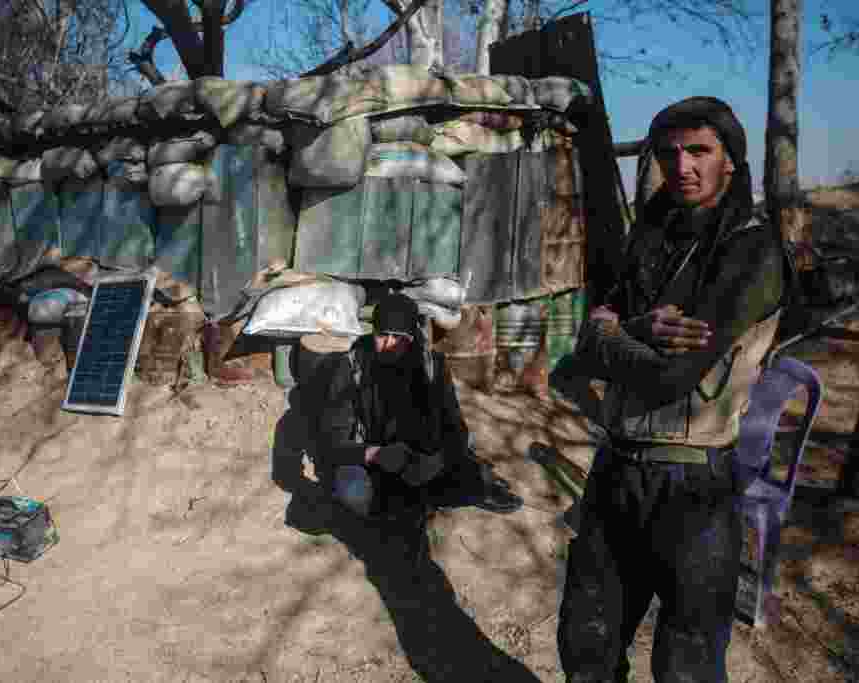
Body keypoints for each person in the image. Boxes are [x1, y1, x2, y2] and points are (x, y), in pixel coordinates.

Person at [554, 96, 790, 682]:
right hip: (616, 469)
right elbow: (580, 347)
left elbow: (669, 378)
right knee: (585, 643)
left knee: (685, 664)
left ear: (730, 160)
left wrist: (605, 338)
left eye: (699, 151)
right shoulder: (652, 237)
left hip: (694, 486)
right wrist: (630, 330)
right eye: (669, 151)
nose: (681, 165)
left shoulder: (751, 250)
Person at [318, 292, 522, 520]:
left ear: (413, 337)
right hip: (371, 457)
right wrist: (374, 454)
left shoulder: (431, 366)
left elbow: (453, 424)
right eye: (382, 335)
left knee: (466, 453)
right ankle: (413, 502)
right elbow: (332, 445)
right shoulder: (351, 366)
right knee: (352, 490)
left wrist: (438, 460)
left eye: (399, 337)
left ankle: (458, 485)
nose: (389, 345)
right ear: (372, 332)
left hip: (420, 457)